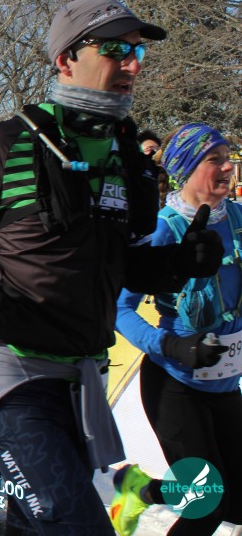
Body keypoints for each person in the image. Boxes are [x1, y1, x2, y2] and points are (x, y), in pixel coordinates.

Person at [0, 0, 224, 533]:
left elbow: (123, 265)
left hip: (82, 382)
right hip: (15, 380)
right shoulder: (6, 143)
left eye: (137, 52)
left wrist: (178, 262)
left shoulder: (127, 157)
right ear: (65, 59)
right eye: (116, 49)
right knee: (77, 525)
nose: (132, 65)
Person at [111, 123, 242, 536]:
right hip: (175, 383)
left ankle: (141, 489)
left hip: (225, 383)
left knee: (236, 501)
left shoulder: (238, 219)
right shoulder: (163, 227)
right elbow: (119, 308)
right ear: (186, 168)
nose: (228, 168)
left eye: (228, 158)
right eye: (215, 160)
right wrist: (171, 345)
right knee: (206, 506)